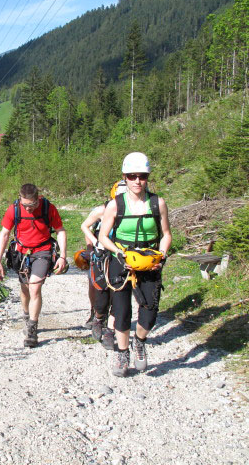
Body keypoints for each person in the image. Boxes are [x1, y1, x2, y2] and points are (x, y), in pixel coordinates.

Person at [98, 152, 172, 377]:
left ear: (147, 177)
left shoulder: (157, 203)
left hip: (150, 262)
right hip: (121, 261)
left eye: (142, 176)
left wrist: (162, 256)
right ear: (125, 177)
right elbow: (103, 236)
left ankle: (139, 341)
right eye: (132, 176)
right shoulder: (115, 205)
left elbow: (166, 234)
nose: (137, 180)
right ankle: (122, 353)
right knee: (121, 312)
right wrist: (118, 253)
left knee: (149, 313)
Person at [0, 183, 67, 347]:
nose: (28, 209)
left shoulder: (49, 208)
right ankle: (26, 315)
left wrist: (62, 256)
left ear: (37, 199)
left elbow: (60, 230)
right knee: (25, 288)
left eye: (32, 205)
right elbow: (4, 234)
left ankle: (32, 330)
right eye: (25, 205)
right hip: (20, 253)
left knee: (35, 287)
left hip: (43, 251)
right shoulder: (14, 209)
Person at [79, 180, 127, 350]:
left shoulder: (133, 210)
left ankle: (110, 330)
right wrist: (93, 243)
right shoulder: (102, 210)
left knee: (118, 291)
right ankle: (98, 316)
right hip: (101, 255)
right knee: (100, 289)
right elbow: (85, 226)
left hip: (121, 257)